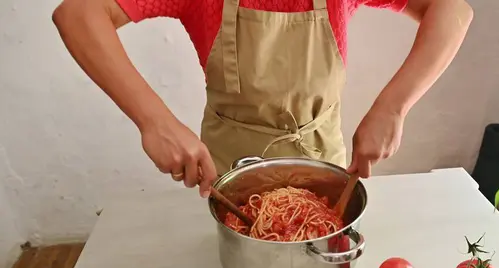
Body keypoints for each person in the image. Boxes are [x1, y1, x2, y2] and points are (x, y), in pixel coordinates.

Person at [52, 0, 473, 198]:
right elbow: (78, 13)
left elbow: (453, 10)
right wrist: (154, 121)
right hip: (228, 180)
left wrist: (392, 107)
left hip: (323, 168)